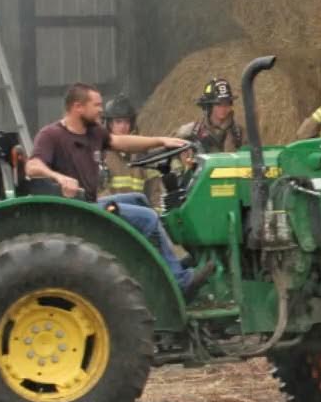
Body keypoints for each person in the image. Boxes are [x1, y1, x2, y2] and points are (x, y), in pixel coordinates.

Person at [26, 82, 214, 298]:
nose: (100, 110)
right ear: (78, 107)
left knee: (139, 199)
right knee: (148, 219)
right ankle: (180, 284)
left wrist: (160, 140)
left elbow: (121, 142)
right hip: (77, 212)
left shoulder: (92, 133)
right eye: (96, 105)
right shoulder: (51, 135)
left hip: (89, 204)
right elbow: (32, 166)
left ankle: (167, 267)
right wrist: (59, 177)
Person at [98, 94, 162, 209]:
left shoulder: (143, 153)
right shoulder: (101, 153)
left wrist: (158, 217)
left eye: (126, 122)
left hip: (138, 217)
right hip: (112, 216)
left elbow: (155, 192)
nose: (123, 127)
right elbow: (96, 193)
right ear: (109, 124)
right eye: (118, 122)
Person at [175, 77, 244, 154]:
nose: (224, 108)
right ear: (209, 106)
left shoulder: (240, 134)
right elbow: (173, 156)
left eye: (227, 103)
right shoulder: (189, 132)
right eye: (219, 104)